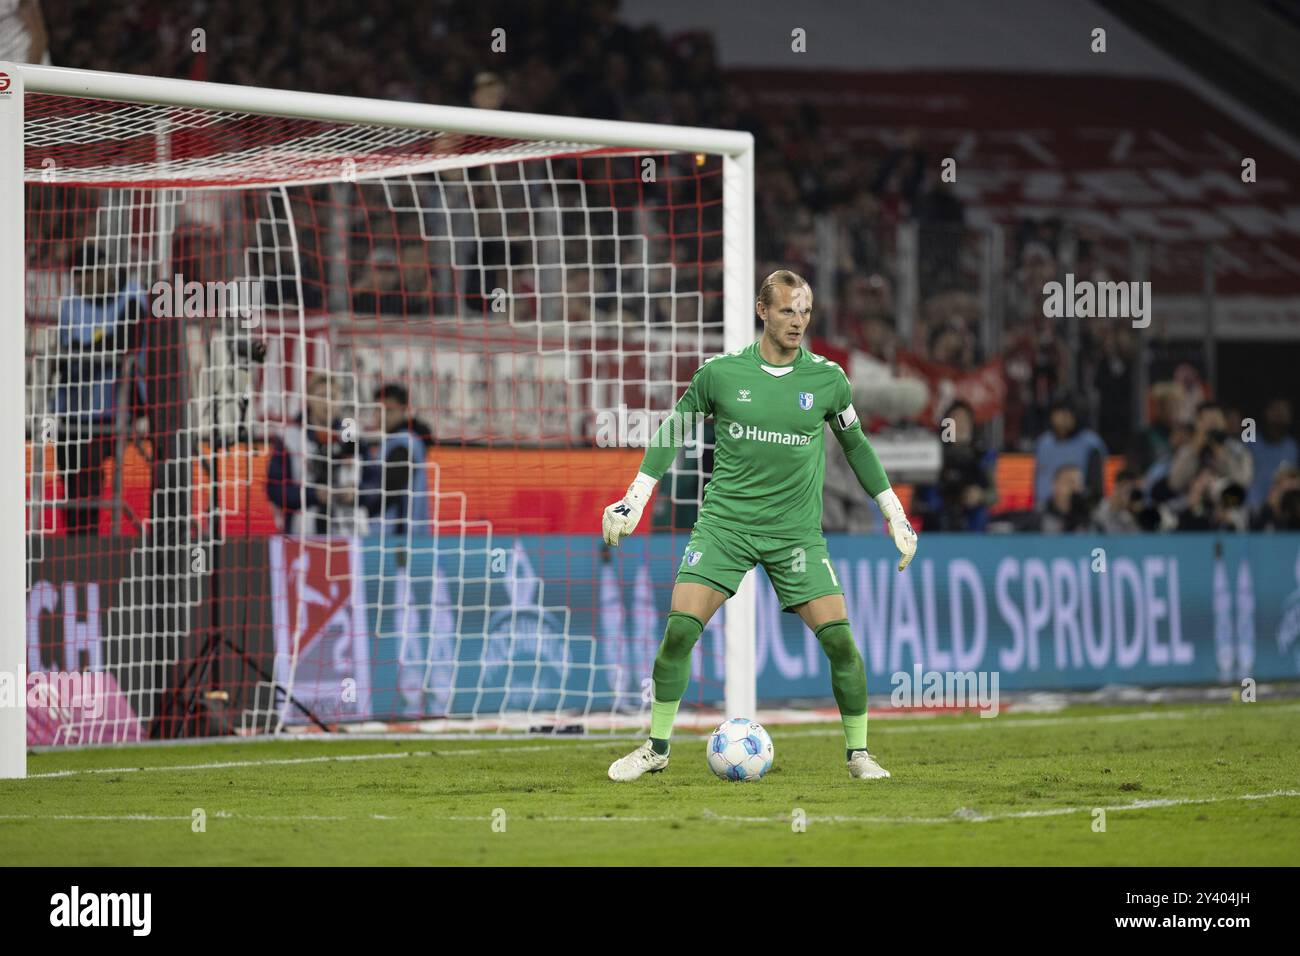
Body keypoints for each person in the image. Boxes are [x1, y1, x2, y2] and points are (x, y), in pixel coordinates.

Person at [601, 270, 916, 782]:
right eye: (788, 310)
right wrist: (636, 498)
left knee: (841, 644)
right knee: (679, 631)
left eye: (806, 311)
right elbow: (674, 430)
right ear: (762, 311)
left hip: (795, 535)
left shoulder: (828, 379)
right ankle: (656, 748)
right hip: (725, 526)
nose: (798, 321)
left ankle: (859, 755)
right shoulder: (720, 374)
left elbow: (856, 446)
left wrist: (893, 511)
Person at [54, 244, 145, 534]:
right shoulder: (70, 305)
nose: (80, 286)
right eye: (76, 280)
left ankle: (89, 543)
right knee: (69, 477)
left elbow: (122, 340)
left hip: (111, 408)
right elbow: (63, 356)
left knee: (90, 474)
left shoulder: (132, 297)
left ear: (104, 271)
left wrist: (85, 351)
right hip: (72, 407)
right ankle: (74, 541)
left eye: (85, 278)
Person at [266, 374, 364, 535]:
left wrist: (356, 493)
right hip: (303, 533)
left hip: (349, 532)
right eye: (321, 396)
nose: (327, 402)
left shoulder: (352, 434)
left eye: (332, 396)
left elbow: (375, 481)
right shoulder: (290, 436)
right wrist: (312, 495)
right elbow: (274, 489)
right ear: (309, 399)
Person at [911, 399, 997, 532]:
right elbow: (914, 505)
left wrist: (980, 496)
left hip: (972, 529)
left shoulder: (982, 455)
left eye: (964, 421)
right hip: (936, 529)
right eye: (955, 422)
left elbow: (994, 495)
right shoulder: (932, 454)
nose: (960, 426)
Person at [361, 382, 430, 545]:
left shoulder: (403, 444)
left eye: (389, 410)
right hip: (398, 535)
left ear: (403, 410)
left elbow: (387, 488)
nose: (382, 415)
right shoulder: (393, 441)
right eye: (378, 410)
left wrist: (358, 498)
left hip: (398, 538)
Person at [1032, 399, 1107, 510]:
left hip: (1080, 510)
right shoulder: (1044, 442)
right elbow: (1038, 477)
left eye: (1067, 414)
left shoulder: (1090, 443)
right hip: (1045, 509)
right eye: (1059, 413)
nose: (1063, 418)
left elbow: (1096, 485)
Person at [1168, 401, 1252, 496]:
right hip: (1192, 505)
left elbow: (1242, 483)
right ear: (1197, 423)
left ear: (1224, 422)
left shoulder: (1238, 450)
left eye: (1216, 420)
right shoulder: (1186, 450)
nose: (1212, 426)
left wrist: (1219, 451)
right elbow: (1175, 483)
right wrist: (1195, 449)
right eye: (1207, 421)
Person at [1246, 398, 1297, 513]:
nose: (1280, 415)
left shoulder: (1292, 447)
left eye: (1284, 411)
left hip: (1280, 512)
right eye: (1275, 410)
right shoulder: (1249, 441)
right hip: (1250, 509)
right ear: (1266, 413)